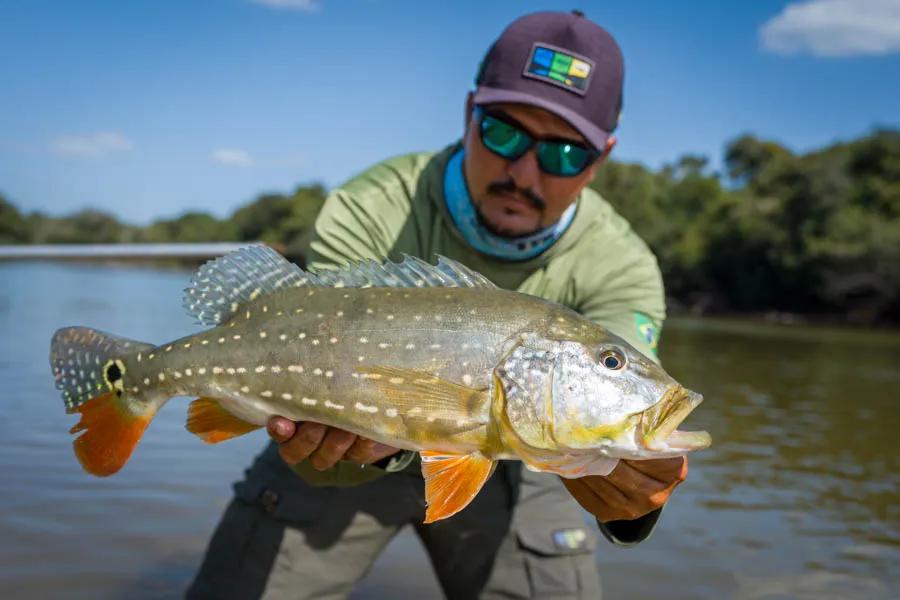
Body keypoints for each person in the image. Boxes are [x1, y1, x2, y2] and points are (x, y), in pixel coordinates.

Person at [188, 10, 688, 600]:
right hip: (345, 439)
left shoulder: (622, 266)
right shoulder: (371, 206)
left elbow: (604, 434)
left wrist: (632, 502)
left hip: (521, 459)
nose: (524, 170)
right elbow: (306, 347)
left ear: (601, 159)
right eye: (503, 132)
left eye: (564, 154)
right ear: (469, 112)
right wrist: (380, 444)